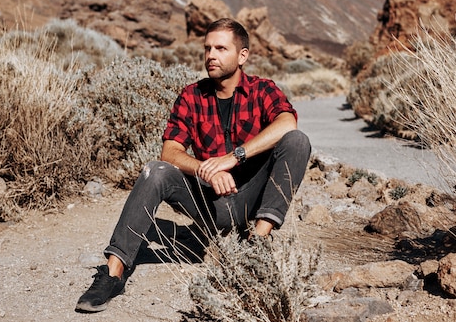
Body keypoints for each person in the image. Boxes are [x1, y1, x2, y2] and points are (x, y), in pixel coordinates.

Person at [75, 18, 311, 313]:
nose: (211, 55)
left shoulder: (263, 90)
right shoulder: (191, 96)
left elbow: (287, 122)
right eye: (207, 48)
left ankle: (256, 245)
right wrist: (205, 169)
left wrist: (233, 157)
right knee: (155, 171)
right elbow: (170, 151)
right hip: (210, 202)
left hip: (251, 196)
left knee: (297, 141)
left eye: (221, 48)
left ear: (242, 56)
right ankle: (112, 274)